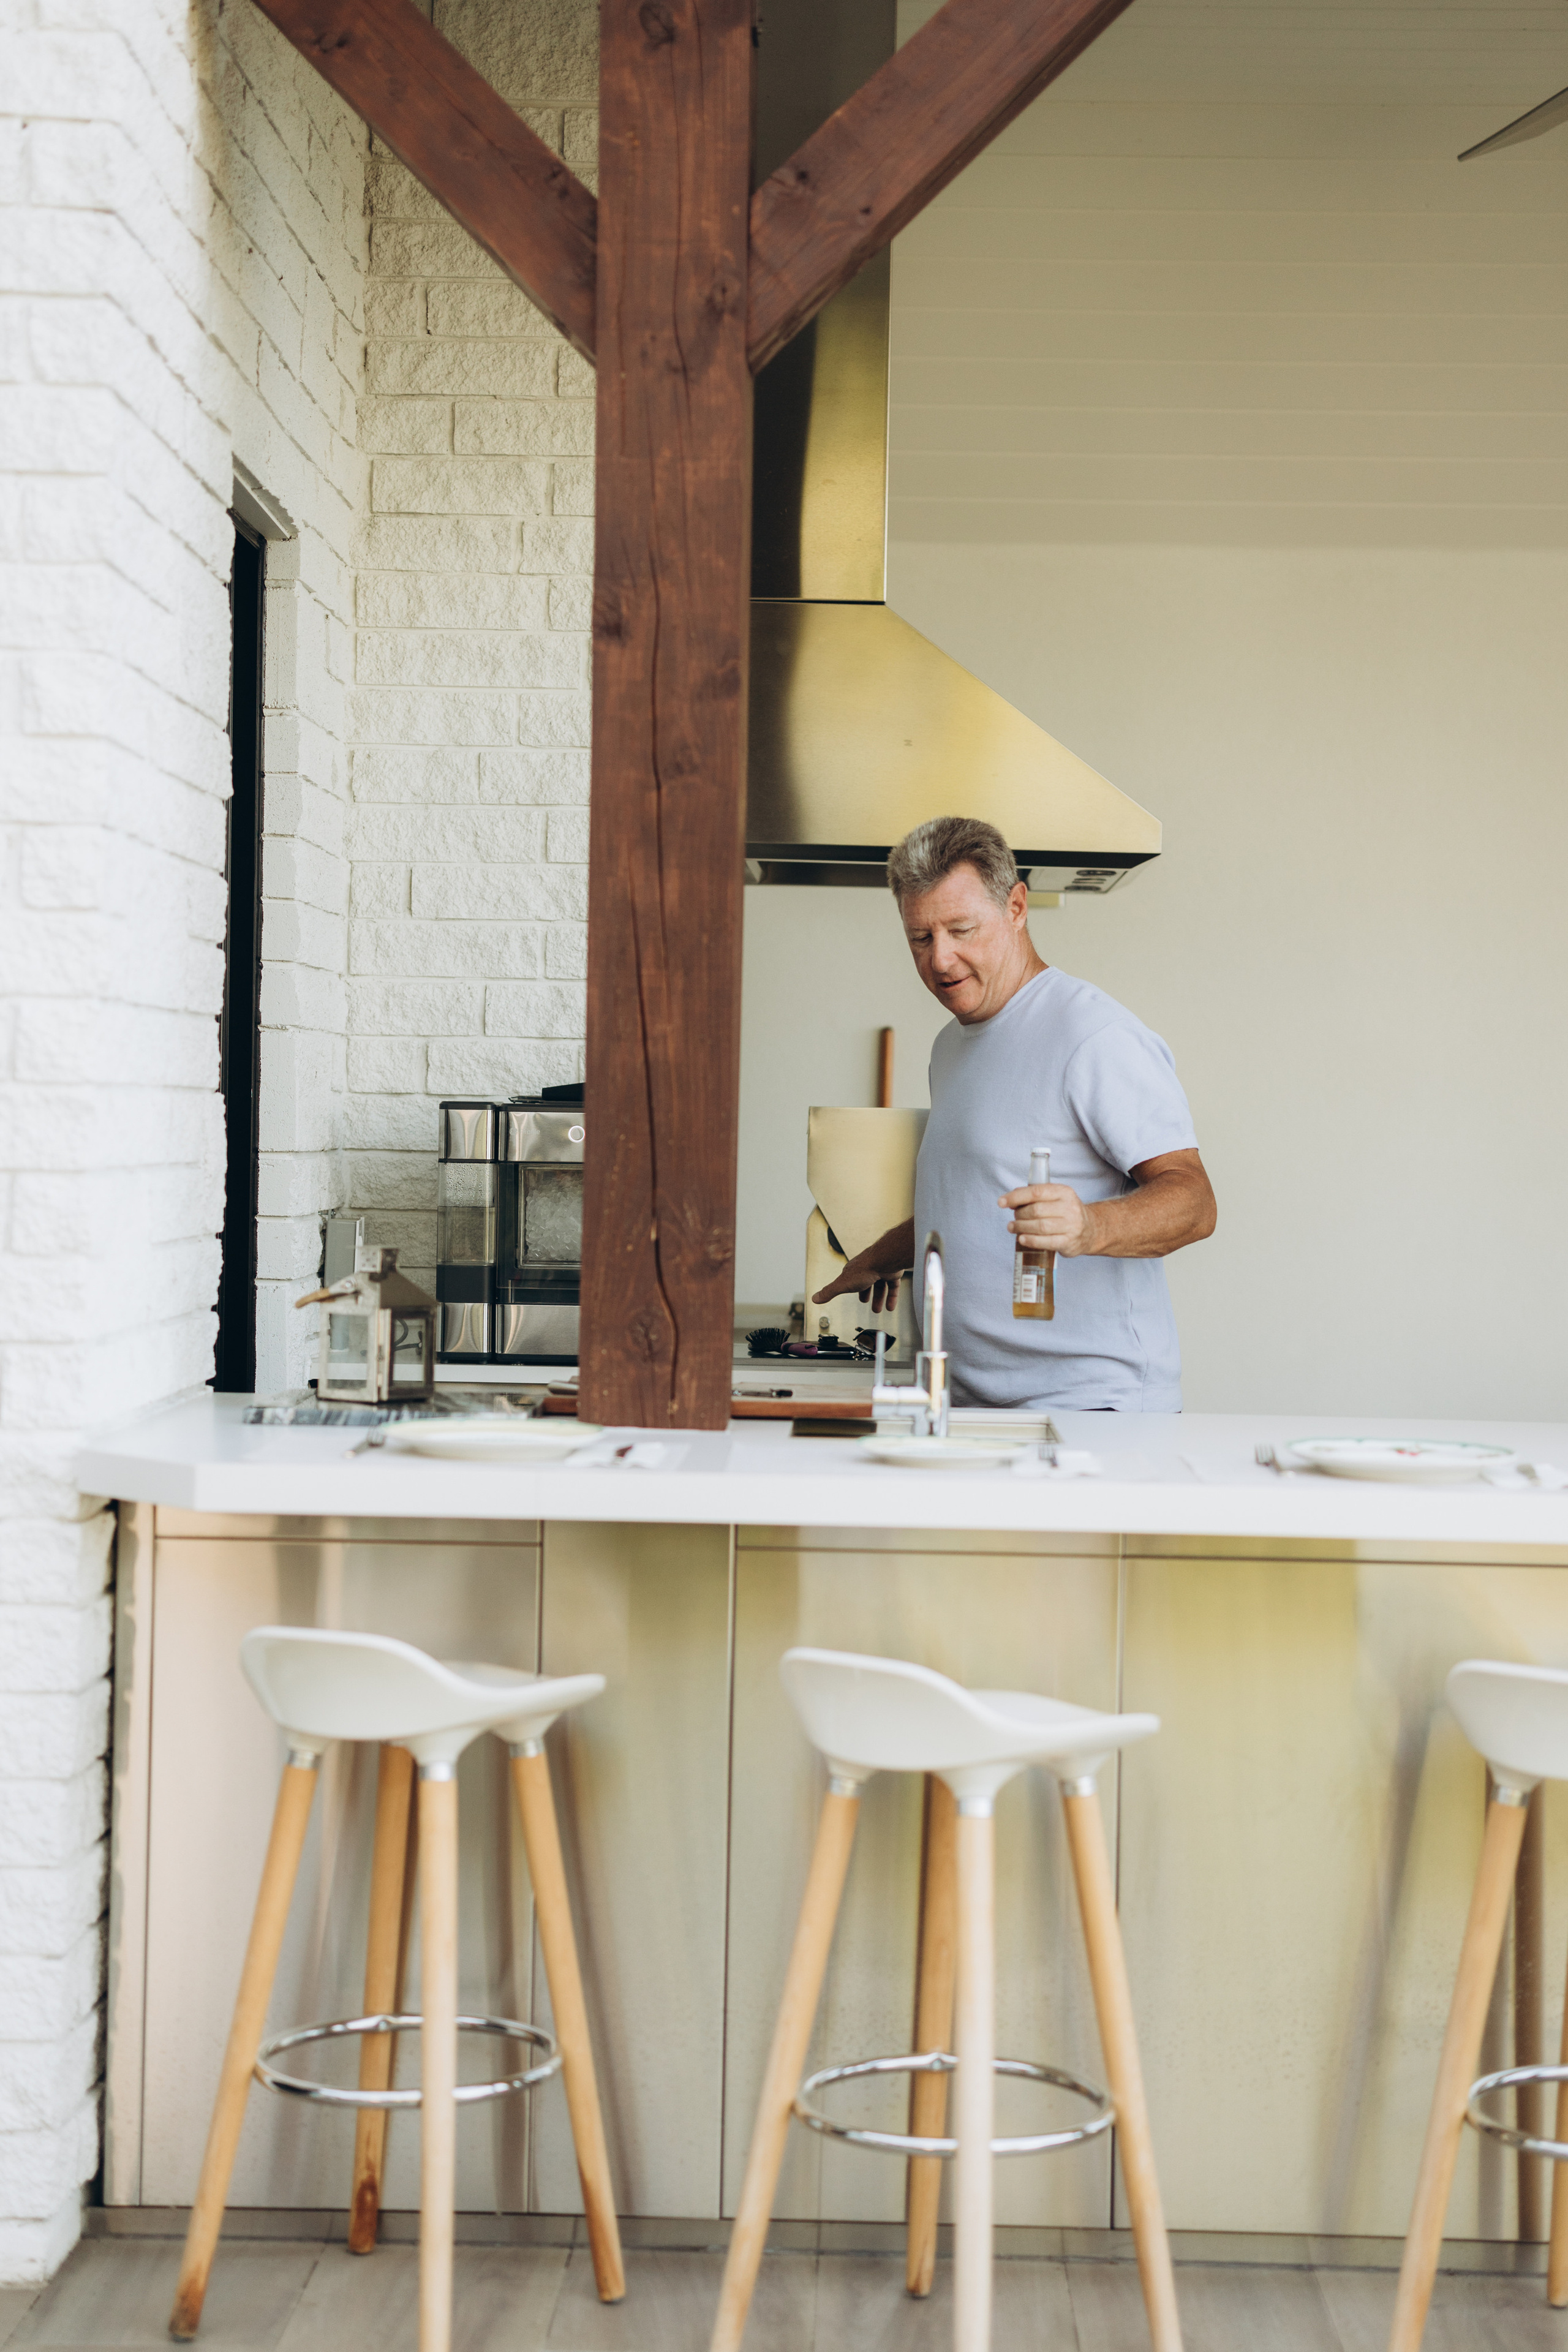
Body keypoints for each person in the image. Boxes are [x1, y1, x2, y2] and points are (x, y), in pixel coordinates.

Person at [812, 815, 1216, 1412]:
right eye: (920, 938)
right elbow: (971, 1199)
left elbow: (1195, 1202)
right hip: (972, 1403)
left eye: (961, 930)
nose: (941, 959)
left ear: (1017, 908)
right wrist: (880, 1258)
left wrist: (1089, 1226)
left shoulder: (1093, 1036)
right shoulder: (952, 1046)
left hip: (1090, 1408)